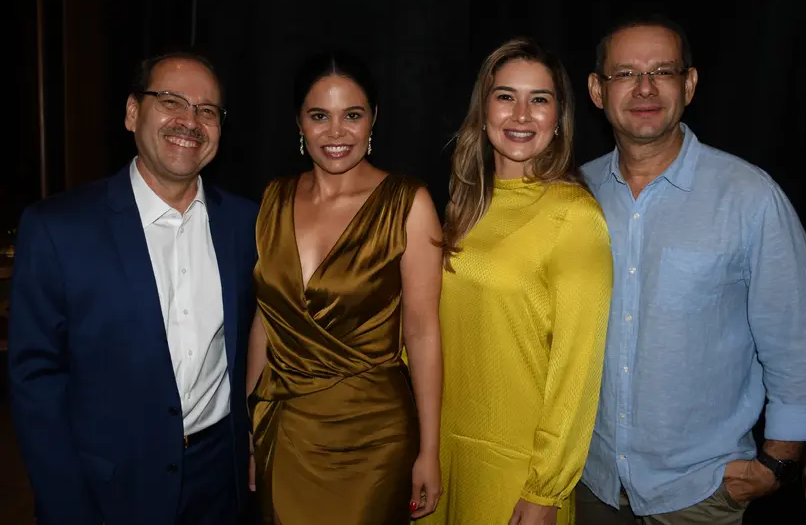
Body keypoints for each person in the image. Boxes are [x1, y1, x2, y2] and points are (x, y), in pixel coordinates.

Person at [576, 14, 806, 525]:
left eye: (663, 71)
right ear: (596, 90)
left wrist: (777, 464)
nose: (645, 87)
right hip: (590, 485)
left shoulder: (748, 196)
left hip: (701, 495)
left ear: (690, 84)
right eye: (625, 74)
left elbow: (803, 343)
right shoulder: (576, 195)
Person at [7, 52, 259, 525]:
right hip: (107, 489)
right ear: (131, 113)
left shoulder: (247, 225)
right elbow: (35, 385)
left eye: (207, 111)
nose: (190, 121)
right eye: (170, 101)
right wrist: (66, 504)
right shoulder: (57, 229)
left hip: (220, 485)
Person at [246, 51, 443, 525]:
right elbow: (265, 322)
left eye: (352, 115)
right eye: (320, 116)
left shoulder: (407, 203)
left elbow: (422, 332)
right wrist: (251, 429)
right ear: (299, 123)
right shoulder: (273, 199)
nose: (336, 133)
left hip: (373, 435)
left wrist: (429, 451)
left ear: (373, 120)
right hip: (286, 425)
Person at [422, 38, 613, 525]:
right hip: (442, 448)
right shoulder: (463, 205)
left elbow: (578, 370)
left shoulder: (574, 215)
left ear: (558, 117)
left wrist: (545, 490)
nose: (522, 114)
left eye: (539, 99)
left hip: (515, 470)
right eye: (506, 96)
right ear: (483, 110)